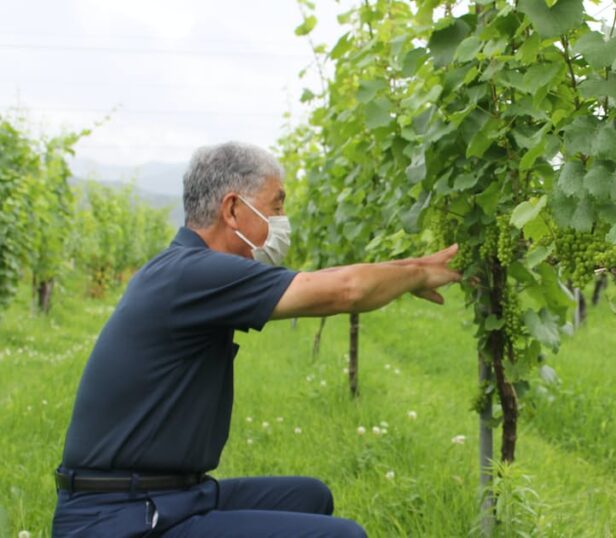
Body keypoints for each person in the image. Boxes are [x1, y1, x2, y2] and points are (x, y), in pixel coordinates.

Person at [51, 142, 461, 537]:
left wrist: (410, 266)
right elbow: (344, 289)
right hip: (120, 519)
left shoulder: (184, 269)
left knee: (309, 496)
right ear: (232, 209)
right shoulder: (192, 274)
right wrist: (419, 275)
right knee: (342, 536)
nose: (283, 220)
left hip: (166, 495)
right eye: (276, 206)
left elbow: (336, 279)